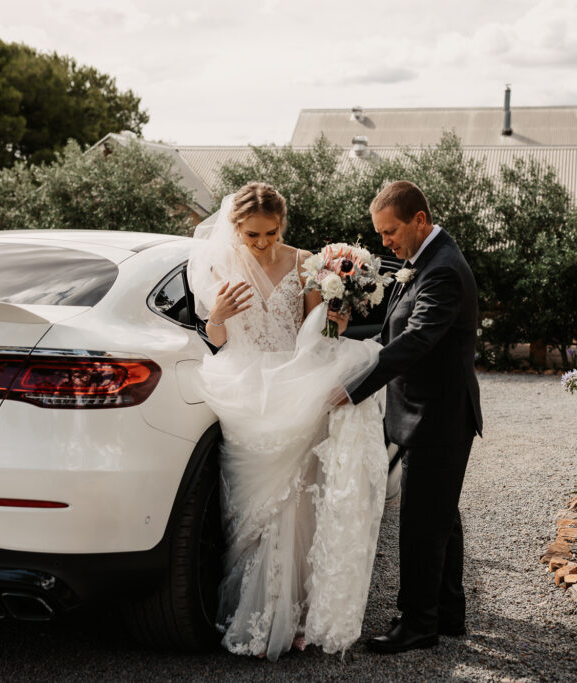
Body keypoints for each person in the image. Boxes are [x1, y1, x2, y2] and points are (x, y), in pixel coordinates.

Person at [188, 182, 389, 661]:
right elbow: (216, 339)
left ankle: (294, 617)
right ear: (236, 228)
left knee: (299, 505)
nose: (262, 243)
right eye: (252, 235)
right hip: (244, 390)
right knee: (249, 514)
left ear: (283, 225)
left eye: (271, 233)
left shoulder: (305, 263)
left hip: (295, 385)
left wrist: (336, 312)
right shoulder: (220, 264)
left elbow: (316, 335)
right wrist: (215, 315)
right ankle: (251, 612)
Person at [343, 180, 483, 654]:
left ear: (419, 220)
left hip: (437, 417)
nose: (385, 242)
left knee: (422, 520)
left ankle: (418, 623)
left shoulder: (441, 270)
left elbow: (418, 338)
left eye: (390, 231)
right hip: (432, 411)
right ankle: (447, 611)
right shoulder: (428, 259)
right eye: (380, 234)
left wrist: (354, 388)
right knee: (440, 514)